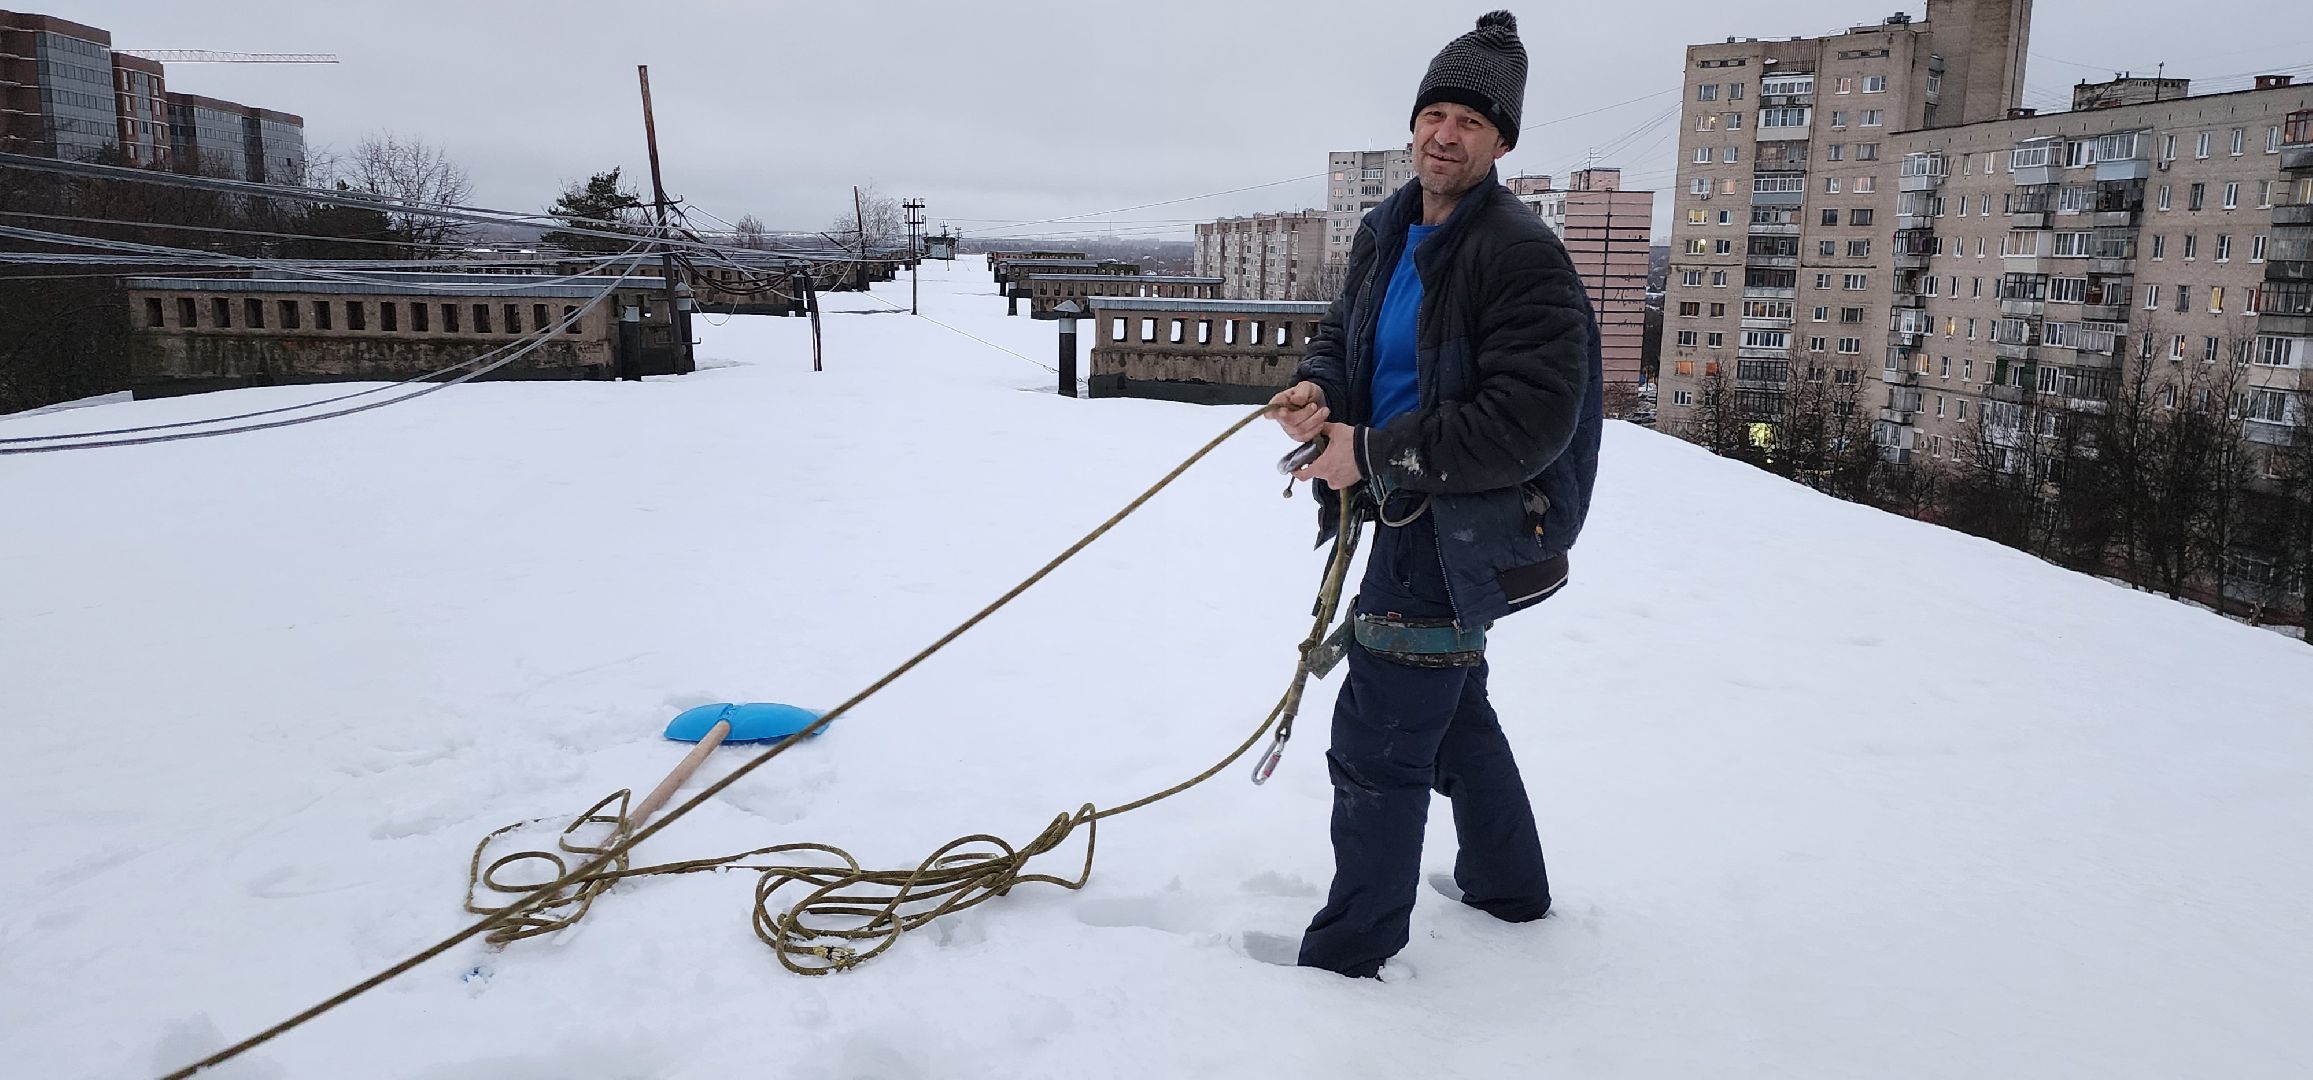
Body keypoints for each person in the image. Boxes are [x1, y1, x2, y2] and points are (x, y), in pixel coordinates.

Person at [1268, 9, 1603, 979]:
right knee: (1450, 712)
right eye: (1434, 113)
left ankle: (1346, 963)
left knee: (1378, 740)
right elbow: (1347, 335)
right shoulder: (1391, 230)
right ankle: (1509, 888)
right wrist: (1319, 390)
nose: (1443, 134)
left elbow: (1524, 423)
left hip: (1467, 523)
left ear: (1501, 141)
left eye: (1469, 120)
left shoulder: (1518, 253)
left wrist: (1369, 452)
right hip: (1409, 510)